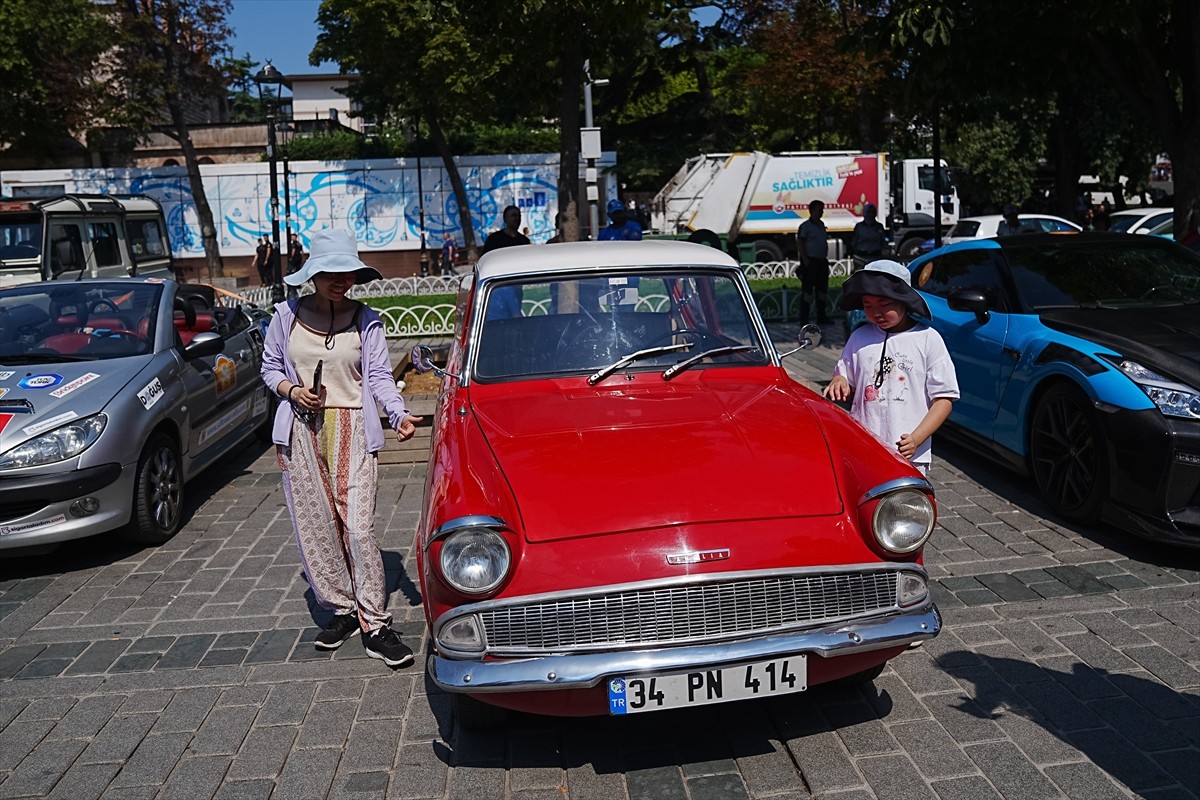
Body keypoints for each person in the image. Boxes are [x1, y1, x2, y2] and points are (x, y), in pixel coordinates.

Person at [260, 228, 423, 667]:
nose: (341, 280)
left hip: (352, 428)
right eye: (331, 272)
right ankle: (341, 609)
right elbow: (270, 367)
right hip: (301, 431)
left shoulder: (366, 320)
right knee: (318, 528)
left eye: (348, 272)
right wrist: (293, 391)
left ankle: (375, 621)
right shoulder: (285, 317)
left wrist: (397, 414)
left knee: (358, 528)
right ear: (313, 274)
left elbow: (380, 377)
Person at [823, 260, 959, 476]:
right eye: (868, 305)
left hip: (908, 454)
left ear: (904, 301)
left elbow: (944, 399)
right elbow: (845, 376)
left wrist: (917, 438)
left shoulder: (927, 339)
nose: (876, 312)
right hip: (862, 447)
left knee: (906, 507)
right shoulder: (860, 337)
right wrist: (840, 380)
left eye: (884, 304)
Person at [481, 206, 531, 319]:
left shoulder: (523, 241)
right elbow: (484, 260)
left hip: (517, 285)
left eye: (518, 216)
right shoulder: (494, 239)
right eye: (513, 215)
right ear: (505, 219)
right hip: (498, 286)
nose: (516, 219)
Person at [796, 200, 830, 324]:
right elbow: (800, 242)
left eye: (822, 210)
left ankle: (822, 316)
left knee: (822, 291)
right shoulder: (805, 227)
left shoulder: (821, 225)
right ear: (811, 210)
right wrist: (805, 260)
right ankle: (804, 318)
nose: (821, 212)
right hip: (811, 262)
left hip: (821, 262)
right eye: (819, 209)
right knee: (807, 292)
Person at [849, 202, 887, 266]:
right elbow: (854, 241)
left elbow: (882, 241)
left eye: (873, 212)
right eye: (869, 212)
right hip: (861, 256)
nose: (871, 214)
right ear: (865, 213)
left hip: (876, 255)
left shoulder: (879, 226)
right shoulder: (859, 226)